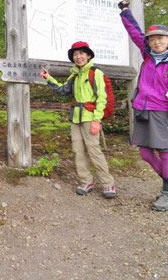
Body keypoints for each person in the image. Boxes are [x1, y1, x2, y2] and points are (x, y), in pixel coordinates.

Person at [118, 0, 168, 211]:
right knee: (145, 154)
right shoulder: (147, 55)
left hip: (165, 112)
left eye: (160, 38)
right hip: (143, 110)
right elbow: (135, 32)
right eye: (153, 39)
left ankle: (167, 193)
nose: (156, 42)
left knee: (165, 153)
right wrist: (125, 12)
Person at [40, 41, 116, 199]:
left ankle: (108, 183)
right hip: (76, 118)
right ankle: (86, 181)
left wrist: (97, 120)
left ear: (88, 56)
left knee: (94, 150)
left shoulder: (96, 73)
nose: (78, 56)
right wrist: (49, 78)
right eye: (75, 54)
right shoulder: (74, 75)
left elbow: (102, 98)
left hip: (90, 117)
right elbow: (62, 90)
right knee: (78, 151)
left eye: (82, 53)